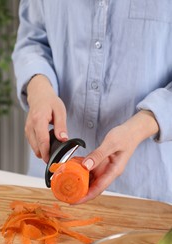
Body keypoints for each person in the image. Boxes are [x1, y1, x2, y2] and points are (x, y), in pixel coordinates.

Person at [12, 0, 172, 204]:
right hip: (52, 182)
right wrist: (39, 90)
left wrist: (141, 126)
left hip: (147, 190)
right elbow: (32, 39)